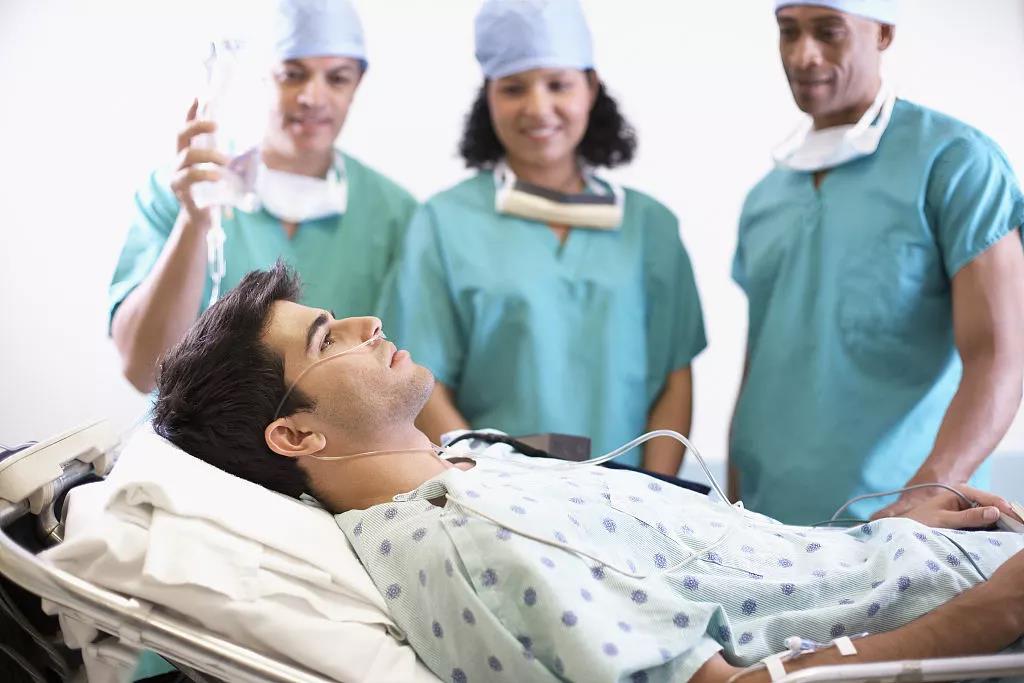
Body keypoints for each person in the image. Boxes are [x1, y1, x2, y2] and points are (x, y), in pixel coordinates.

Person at [153, 264, 1024, 683]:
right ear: (295, 434)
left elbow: (721, 564)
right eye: (326, 338)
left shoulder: (480, 458)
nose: (367, 324)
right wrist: (987, 613)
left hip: (924, 558)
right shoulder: (462, 543)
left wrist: (874, 539)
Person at [379, 0, 706, 477]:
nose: (537, 108)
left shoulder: (649, 225)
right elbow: (423, 383)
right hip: (493, 491)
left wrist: (657, 493)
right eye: (513, 88)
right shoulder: (443, 223)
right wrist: (486, 483)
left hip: (631, 498)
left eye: (558, 84)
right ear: (488, 96)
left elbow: (675, 379)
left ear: (591, 87)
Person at [729, 0, 1024, 525]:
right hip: (767, 521)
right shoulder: (765, 197)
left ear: (884, 32)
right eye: (788, 32)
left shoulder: (956, 162)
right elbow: (760, 363)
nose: (803, 55)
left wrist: (921, 494)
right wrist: (731, 506)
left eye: (829, 32)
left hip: (902, 524)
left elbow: (1000, 353)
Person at [108, 0, 416, 393]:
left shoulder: (394, 215)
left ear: (357, 84)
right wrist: (194, 221)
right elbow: (142, 370)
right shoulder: (184, 187)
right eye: (292, 75)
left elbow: (400, 369)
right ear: (261, 76)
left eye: (337, 78)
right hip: (194, 432)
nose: (313, 97)